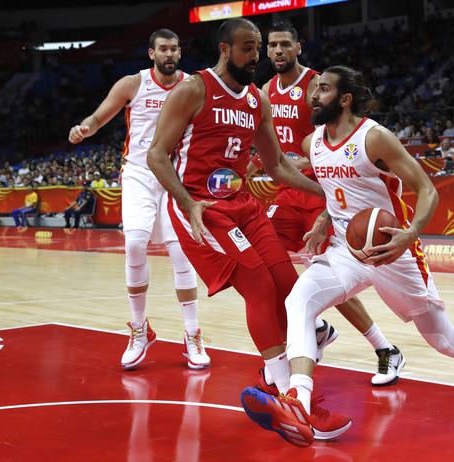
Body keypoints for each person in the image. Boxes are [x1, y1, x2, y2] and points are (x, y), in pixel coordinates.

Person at [240, 66, 454, 447]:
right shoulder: (313, 142)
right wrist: (323, 220)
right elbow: (334, 188)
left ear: (344, 98)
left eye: (322, 90)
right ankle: (298, 401)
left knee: (443, 339)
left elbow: (427, 189)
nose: (313, 96)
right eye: (314, 89)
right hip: (347, 251)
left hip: (393, 251)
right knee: (299, 300)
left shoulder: (375, 138)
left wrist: (410, 235)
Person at [146, 18, 350, 437]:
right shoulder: (194, 89)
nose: (256, 55)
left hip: (245, 206)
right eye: (247, 48)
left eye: (257, 47)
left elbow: (274, 165)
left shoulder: (258, 99)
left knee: (289, 289)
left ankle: (289, 377)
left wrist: (325, 191)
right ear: (224, 49)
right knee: (257, 287)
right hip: (203, 209)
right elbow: (156, 156)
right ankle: (287, 394)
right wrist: (188, 203)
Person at [248, 20, 403, 386]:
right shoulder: (266, 89)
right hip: (288, 193)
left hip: (329, 194)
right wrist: (254, 162)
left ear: (299, 47)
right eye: (273, 46)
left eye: (286, 44)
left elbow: (345, 134)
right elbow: (271, 143)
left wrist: (313, 166)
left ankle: (384, 348)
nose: (278, 51)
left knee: (331, 279)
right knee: (260, 262)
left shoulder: (317, 87)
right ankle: (314, 329)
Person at [68, 28, 211, 370]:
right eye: (163, 49)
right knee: (134, 245)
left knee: (181, 252)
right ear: (151, 53)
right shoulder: (132, 84)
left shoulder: (193, 85)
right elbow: (100, 116)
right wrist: (84, 128)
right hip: (138, 174)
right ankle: (139, 329)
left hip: (176, 176)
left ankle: (192, 334)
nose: (170, 55)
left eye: (174, 49)